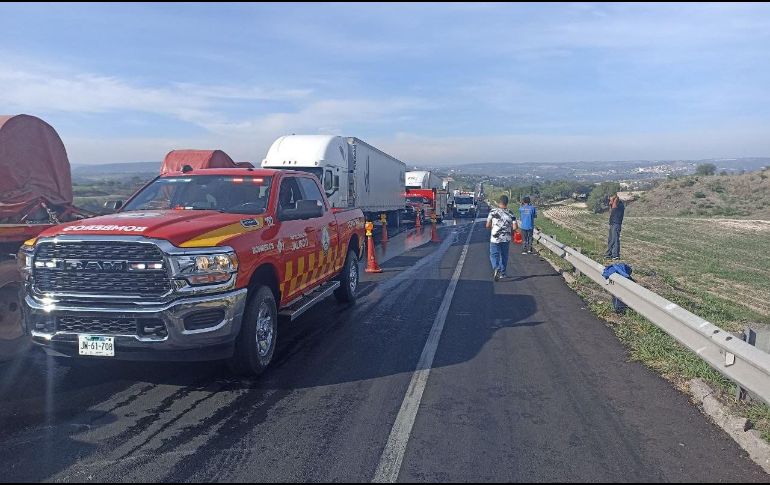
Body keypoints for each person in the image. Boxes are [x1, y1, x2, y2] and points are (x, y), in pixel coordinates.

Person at [486, 194, 517, 281]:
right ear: (507, 203)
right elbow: (515, 227)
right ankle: (503, 273)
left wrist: (493, 228)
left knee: (493, 254)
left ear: (499, 202)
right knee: (504, 255)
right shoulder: (511, 213)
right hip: (506, 238)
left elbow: (487, 225)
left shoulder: (492, 212)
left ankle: (496, 268)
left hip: (495, 238)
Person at [605, 193, 625, 260]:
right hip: (612, 223)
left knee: (615, 239)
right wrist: (610, 203)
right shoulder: (615, 203)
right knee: (610, 239)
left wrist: (613, 200)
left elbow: (614, 208)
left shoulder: (619, 204)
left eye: (610, 197)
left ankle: (615, 255)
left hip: (616, 224)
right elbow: (611, 211)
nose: (609, 199)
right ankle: (609, 254)